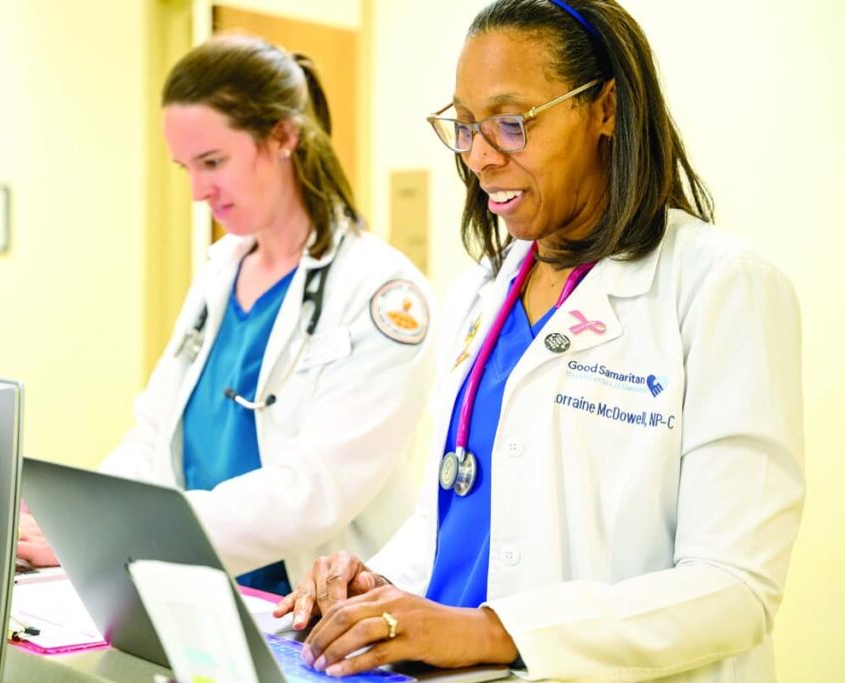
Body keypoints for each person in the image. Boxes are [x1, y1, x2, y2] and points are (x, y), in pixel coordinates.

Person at [275, 1, 804, 680]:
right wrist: (377, 585)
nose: (480, 157)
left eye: (511, 123)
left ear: (605, 108)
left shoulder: (721, 287)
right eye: (464, 127)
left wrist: (491, 631)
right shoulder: (482, 291)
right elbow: (457, 518)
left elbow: (734, 589)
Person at [17, 34, 436, 597]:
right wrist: (82, 521)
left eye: (213, 162)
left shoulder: (382, 291)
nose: (196, 191)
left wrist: (134, 532)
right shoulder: (221, 273)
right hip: (195, 590)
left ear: (283, 135)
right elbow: (152, 436)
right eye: (185, 167)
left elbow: (314, 491)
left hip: (309, 610)